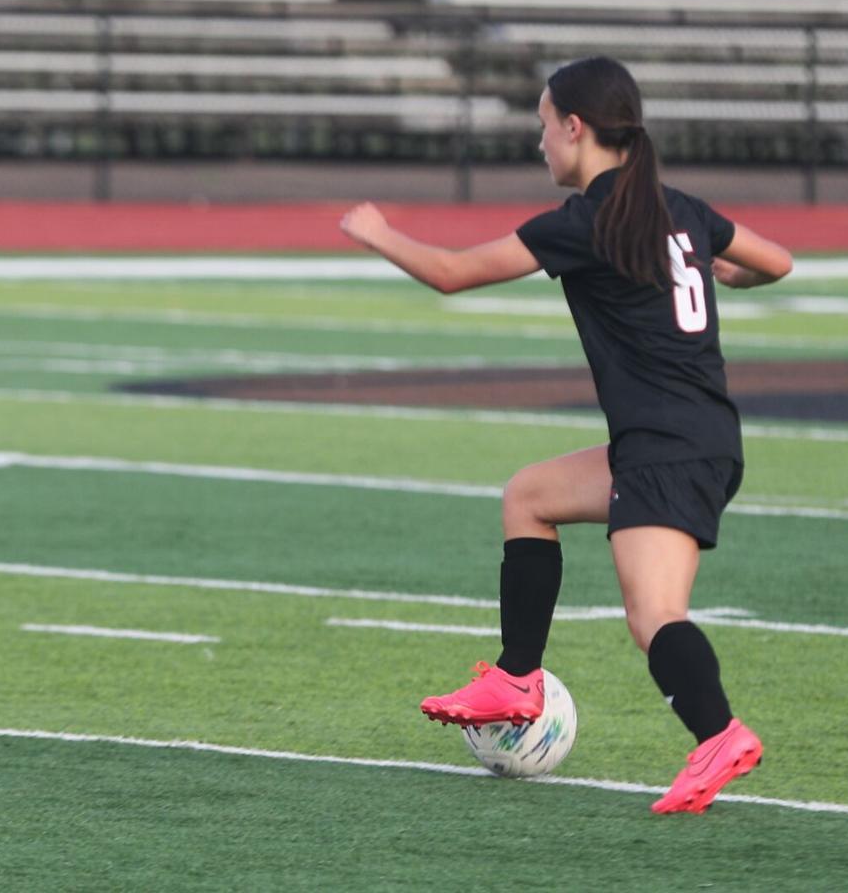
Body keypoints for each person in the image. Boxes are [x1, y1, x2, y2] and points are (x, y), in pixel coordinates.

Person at [339, 56, 793, 815]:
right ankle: (519, 680)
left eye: (544, 126)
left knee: (654, 617)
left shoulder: (587, 222)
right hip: (693, 436)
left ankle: (719, 734)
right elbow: (777, 261)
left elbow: (453, 272)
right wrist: (716, 267)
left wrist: (378, 232)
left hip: (666, 449)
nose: (540, 143)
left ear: (577, 129)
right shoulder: (679, 206)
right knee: (531, 496)